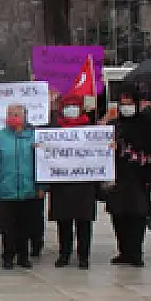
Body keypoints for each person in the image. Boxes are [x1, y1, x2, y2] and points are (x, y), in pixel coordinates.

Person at [105, 91, 151, 267]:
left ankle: (135, 252)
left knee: (137, 214)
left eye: (129, 103)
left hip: (140, 177)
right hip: (118, 176)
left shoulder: (147, 125)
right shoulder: (115, 125)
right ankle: (124, 251)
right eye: (123, 103)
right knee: (118, 214)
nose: (125, 107)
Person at [48, 93, 100, 269]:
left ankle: (83, 256)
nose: (71, 110)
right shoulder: (54, 129)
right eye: (67, 106)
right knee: (63, 221)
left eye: (74, 106)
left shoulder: (90, 127)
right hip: (62, 183)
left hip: (84, 184)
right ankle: (64, 254)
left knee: (84, 222)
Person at [0, 104, 42, 270]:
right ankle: (8, 256)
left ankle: (24, 256)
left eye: (17, 114)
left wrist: (41, 186)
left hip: (28, 189)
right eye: (10, 114)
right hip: (6, 188)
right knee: (7, 227)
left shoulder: (34, 136)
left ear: (24, 117)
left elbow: (43, 163)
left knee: (26, 225)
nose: (13, 117)